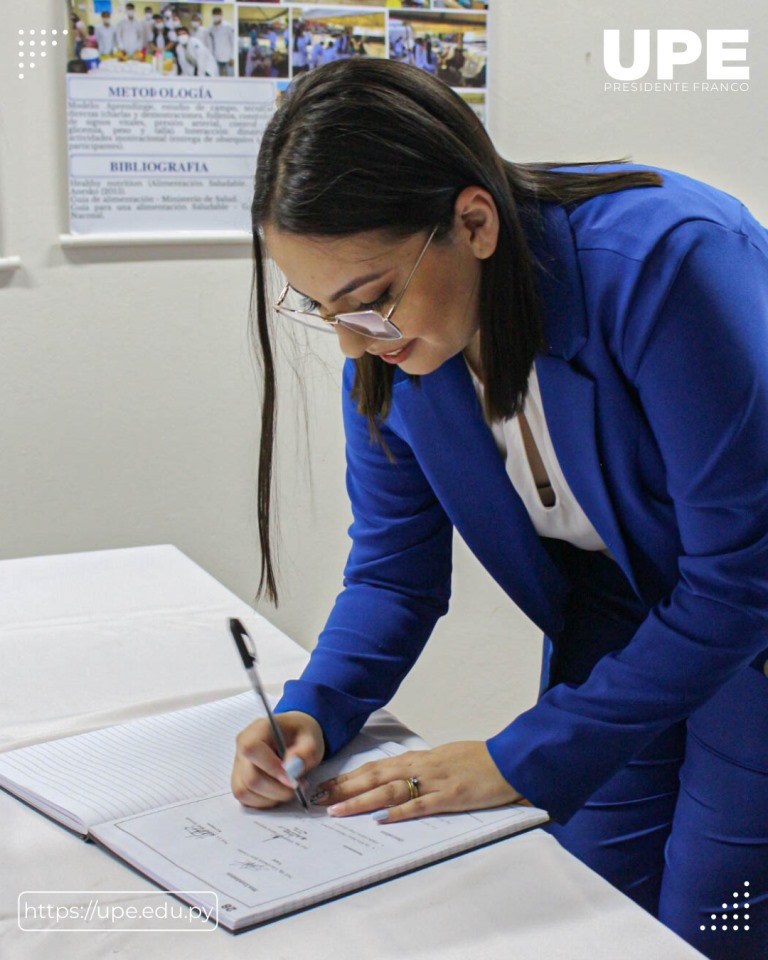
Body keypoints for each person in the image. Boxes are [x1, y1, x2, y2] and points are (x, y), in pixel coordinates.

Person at [231, 59, 768, 960]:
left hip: (748, 631)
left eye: (368, 300)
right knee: (587, 895)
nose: (355, 339)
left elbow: (743, 580)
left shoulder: (666, 265)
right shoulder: (392, 356)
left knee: (717, 914)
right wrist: (317, 710)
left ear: (473, 222)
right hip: (623, 627)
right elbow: (395, 574)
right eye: (323, 309)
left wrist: (513, 758)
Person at [209, 6, 235, 77]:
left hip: (228, 58)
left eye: (218, 14)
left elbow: (233, 42)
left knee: (230, 77)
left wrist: (232, 57)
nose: (216, 16)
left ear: (221, 14)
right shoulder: (211, 28)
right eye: (214, 14)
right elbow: (211, 44)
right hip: (216, 58)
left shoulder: (228, 26)